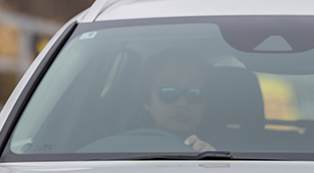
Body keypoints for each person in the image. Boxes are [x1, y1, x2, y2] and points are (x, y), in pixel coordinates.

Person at [77, 47, 217, 154]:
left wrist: (214, 162)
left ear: (206, 101)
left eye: (195, 93)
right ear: (145, 100)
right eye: (168, 94)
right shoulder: (110, 151)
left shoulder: (233, 152)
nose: (182, 104)